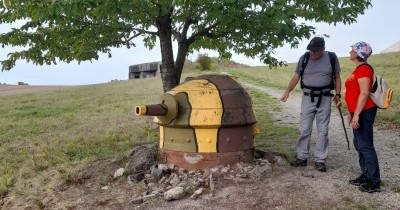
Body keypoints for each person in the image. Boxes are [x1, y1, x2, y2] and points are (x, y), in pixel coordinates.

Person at [280, 37, 341, 172]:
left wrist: (337, 95)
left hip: (324, 97)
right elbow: (296, 76)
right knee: (304, 129)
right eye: (310, 51)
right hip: (308, 97)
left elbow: (337, 77)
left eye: (315, 51)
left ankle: (320, 160)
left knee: (323, 130)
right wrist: (287, 91)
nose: (312, 54)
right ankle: (302, 158)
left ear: (323, 50)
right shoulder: (304, 58)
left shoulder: (331, 57)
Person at [345, 41, 380, 193]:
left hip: (365, 112)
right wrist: (351, 112)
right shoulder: (358, 69)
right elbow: (354, 93)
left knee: (365, 146)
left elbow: (365, 92)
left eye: (352, 49)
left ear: (359, 53)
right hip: (358, 111)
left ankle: (374, 182)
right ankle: (366, 175)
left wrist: (357, 114)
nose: (350, 51)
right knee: (359, 145)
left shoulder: (364, 69)